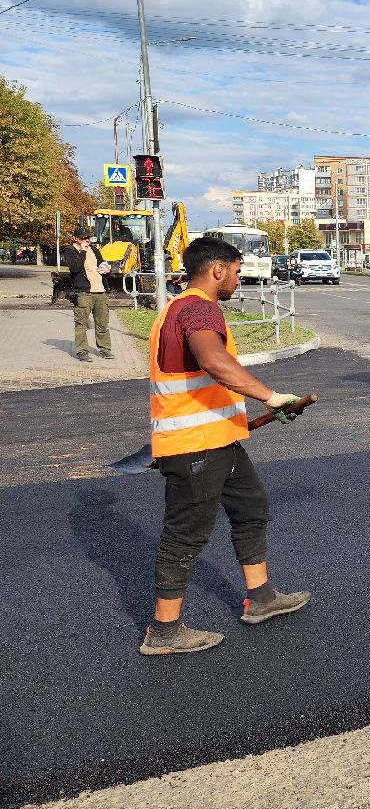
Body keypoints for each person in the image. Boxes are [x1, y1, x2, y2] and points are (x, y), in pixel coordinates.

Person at [141, 236, 311, 656]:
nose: (238, 279)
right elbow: (214, 362)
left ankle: (262, 598)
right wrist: (272, 398)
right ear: (217, 269)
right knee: (185, 537)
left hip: (221, 440)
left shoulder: (178, 309)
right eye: (235, 271)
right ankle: (164, 633)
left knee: (251, 510)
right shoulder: (198, 308)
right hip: (196, 445)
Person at [62, 224, 113, 362]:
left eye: (88, 237)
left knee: (102, 323)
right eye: (83, 238)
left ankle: (105, 349)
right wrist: (83, 251)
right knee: (82, 324)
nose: (87, 240)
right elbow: (75, 268)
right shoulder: (70, 250)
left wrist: (107, 271)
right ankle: (82, 352)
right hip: (83, 293)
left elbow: (103, 265)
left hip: (100, 291)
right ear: (75, 238)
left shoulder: (95, 250)